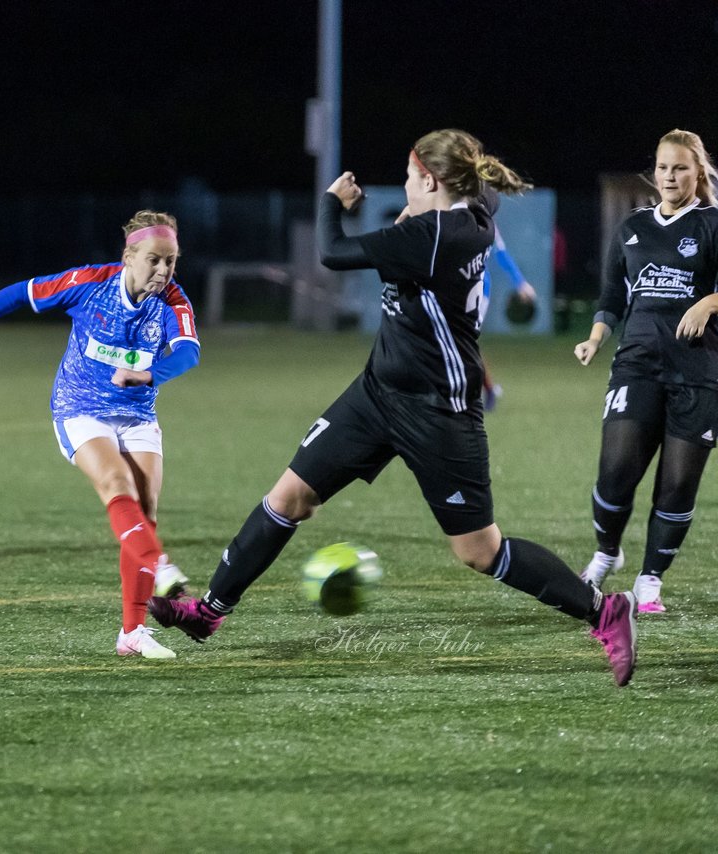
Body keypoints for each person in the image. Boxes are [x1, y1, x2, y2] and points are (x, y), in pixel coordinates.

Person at [150, 130, 638, 686]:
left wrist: (333, 202)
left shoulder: (434, 236)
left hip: (440, 413)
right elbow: (475, 194)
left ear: (430, 180)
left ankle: (604, 611)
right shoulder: (471, 209)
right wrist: (418, 202)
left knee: (480, 551)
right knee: (289, 496)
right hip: (379, 391)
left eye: (410, 177)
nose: (404, 186)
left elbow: (333, 253)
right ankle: (208, 611)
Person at [0, 210, 201, 659]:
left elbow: (188, 354)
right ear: (128, 256)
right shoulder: (90, 283)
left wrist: (149, 374)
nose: (163, 271)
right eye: (154, 260)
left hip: (137, 412)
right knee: (116, 484)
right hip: (79, 408)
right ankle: (158, 562)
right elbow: (24, 293)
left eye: (171, 262)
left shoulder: (174, 302)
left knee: (146, 509)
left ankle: (132, 633)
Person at [574, 128, 718, 614]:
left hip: (699, 373)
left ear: (698, 171)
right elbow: (613, 293)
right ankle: (605, 553)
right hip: (636, 365)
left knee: (677, 485)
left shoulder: (713, 223)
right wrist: (595, 336)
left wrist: (710, 303)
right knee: (615, 471)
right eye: (662, 167)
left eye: (680, 167)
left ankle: (651, 579)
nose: (670, 176)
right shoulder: (634, 227)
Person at [480, 219, 538, 411]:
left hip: (477, 287)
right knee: (455, 341)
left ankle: (486, 389)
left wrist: (519, 281)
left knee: (462, 341)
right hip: (449, 286)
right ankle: (487, 389)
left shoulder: (482, 216)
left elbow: (500, 252)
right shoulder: (443, 206)